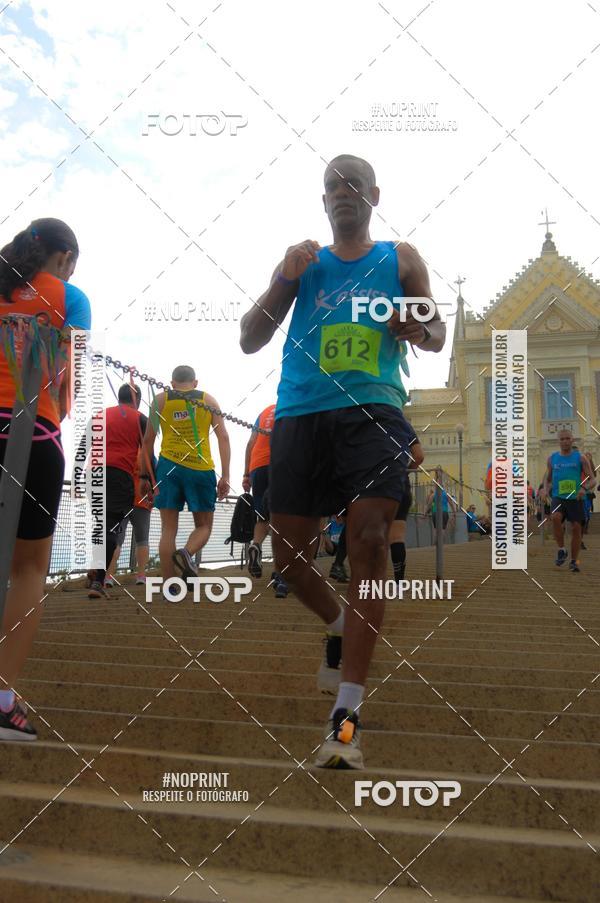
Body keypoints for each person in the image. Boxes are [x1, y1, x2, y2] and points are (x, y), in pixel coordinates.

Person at [240, 153, 445, 769]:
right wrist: (282, 277)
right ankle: (338, 623)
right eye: (332, 186)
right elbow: (250, 337)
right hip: (301, 416)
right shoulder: (304, 263)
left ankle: (345, 720)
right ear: (322, 200)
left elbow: (435, 333)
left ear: (374, 195)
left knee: (371, 541)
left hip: (376, 413)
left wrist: (419, 324)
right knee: (290, 563)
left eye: (353, 185)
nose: (343, 194)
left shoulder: (401, 258)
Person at [0, 218, 91, 740]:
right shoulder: (69, 296)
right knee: (29, 568)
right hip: (31, 431)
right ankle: (3, 697)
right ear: (64, 258)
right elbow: (69, 378)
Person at [141, 365, 230, 597]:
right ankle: (187, 553)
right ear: (195, 382)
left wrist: (145, 475)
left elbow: (147, 441)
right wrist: (226, 475)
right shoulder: (208, 400)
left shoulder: (160, 400)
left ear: (172, 383)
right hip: (200, 468)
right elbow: (224, 437)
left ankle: (170, 586)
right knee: (204, 526)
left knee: (168, 529)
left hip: (168, 466)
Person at [87, 383, 149, 598]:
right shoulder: (140, 419)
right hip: (119, 475)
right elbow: (146, 454)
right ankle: (98, 581)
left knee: (100, 524)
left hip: (92, 473)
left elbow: (84, 446)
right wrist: (146, 479)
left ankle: (95, 567)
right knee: (111, 528)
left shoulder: (100, 415)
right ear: (137, 400)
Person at [242, 403, 288, 598]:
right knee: (283, 520)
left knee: (262, 515)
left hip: (257, 466)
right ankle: (281, 575)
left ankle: (256, 544)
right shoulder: (294, 406)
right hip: (281, 464)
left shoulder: (264, 412)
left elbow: (251, 442)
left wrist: (246, 474)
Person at [542, 430, 595, 573]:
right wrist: (545, 490)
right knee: (555, 518)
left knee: (576, 528)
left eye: (568, 438)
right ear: (558, 441)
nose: (565, 441)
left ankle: (574, 561)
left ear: (572, 440)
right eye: (562, 439)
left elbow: (593, 479)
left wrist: (584, 488)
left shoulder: (580, 458)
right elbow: (547, 479)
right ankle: (561, 549)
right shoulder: (552, 459)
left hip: (576, 498)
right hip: (559, 496)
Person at [105, 448, 156, 587]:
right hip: (142, 500)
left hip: (122, 500)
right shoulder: (148, 453)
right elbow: (156, 477)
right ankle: (141, 575)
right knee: (142, 540)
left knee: (117, 540)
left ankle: (108, 577)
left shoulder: (125, 451)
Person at [389, 436, 424, 585]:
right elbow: (419, 456)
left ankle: (368, 583)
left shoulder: (368, 424)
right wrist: (407, 471)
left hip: (375, 484)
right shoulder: (403, 426)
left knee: (372, 536)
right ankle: (398, 583)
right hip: (401, 484)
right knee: (397, 538)